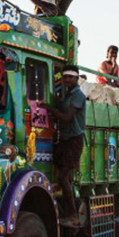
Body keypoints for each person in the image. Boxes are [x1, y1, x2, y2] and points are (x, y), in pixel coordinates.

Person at [40, 65, 86, 227]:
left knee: (63, 177)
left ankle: (73, 216)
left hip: (74, 140)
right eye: (64, 77)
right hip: (65, 140)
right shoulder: (68, 95)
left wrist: (49, 108)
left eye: (70, 77)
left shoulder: (78, 95)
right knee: (60, 175)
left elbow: (67, 117)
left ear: (76, 78)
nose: (67, 80)